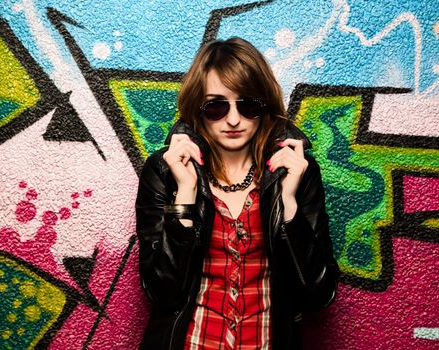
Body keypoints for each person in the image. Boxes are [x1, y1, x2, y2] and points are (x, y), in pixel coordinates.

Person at [136, 37, 339, 350]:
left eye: (247, 105)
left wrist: (288, 204)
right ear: (197, 108)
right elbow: (161, 292)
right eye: (216, 106)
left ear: (264, 106)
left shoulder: (298, 171)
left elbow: (317, 294)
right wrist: (186, 196)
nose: (233, 119)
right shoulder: (165, 171)